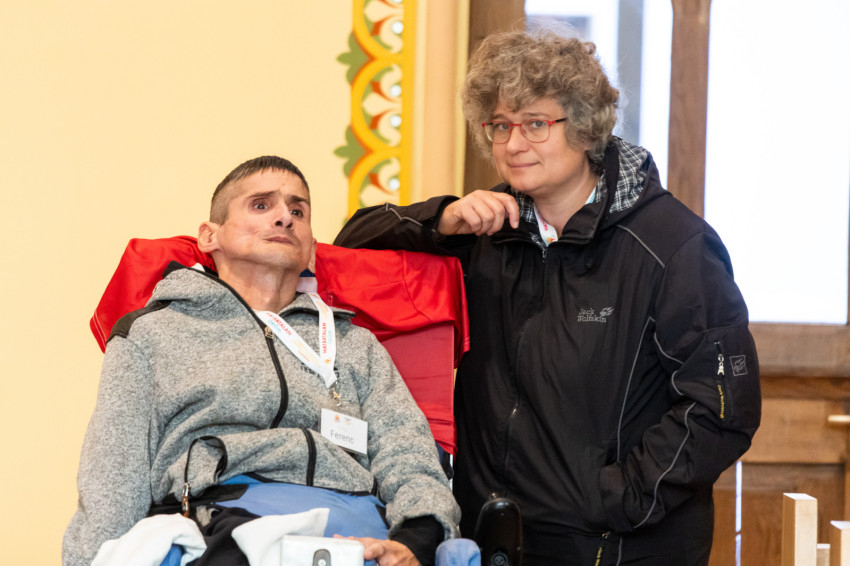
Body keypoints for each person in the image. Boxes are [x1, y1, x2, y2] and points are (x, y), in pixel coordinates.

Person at [334, 28, 761, 566]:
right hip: (491, 540)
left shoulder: (674, 246)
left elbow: (722, 408)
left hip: (616, 547)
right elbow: (350, 249)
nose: (513, 145)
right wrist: (441, 219)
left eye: (536, 123)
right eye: (500, 125)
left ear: (583, 126)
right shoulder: (485, 229)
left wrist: (616, 499)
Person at [63, 156, 461, 566]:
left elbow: (407, 452)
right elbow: (113, 481)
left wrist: (416, 538)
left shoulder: (355, 344)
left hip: (354, 525)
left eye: (298, 211)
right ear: (209, 236)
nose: (284, 218)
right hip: (220, 521)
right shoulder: (152, 334)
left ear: (311, 250)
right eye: (261, 205)